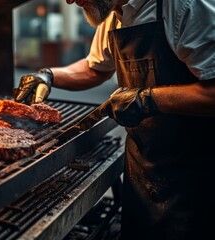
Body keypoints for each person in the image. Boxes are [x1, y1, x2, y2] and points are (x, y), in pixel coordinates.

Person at [14, 0, 215, 239]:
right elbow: (95, 69)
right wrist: (48, 75)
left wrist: (147, 99)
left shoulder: (185, 6)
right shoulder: (112, 12)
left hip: (197, 177)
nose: (68, 0)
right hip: (142, 166)